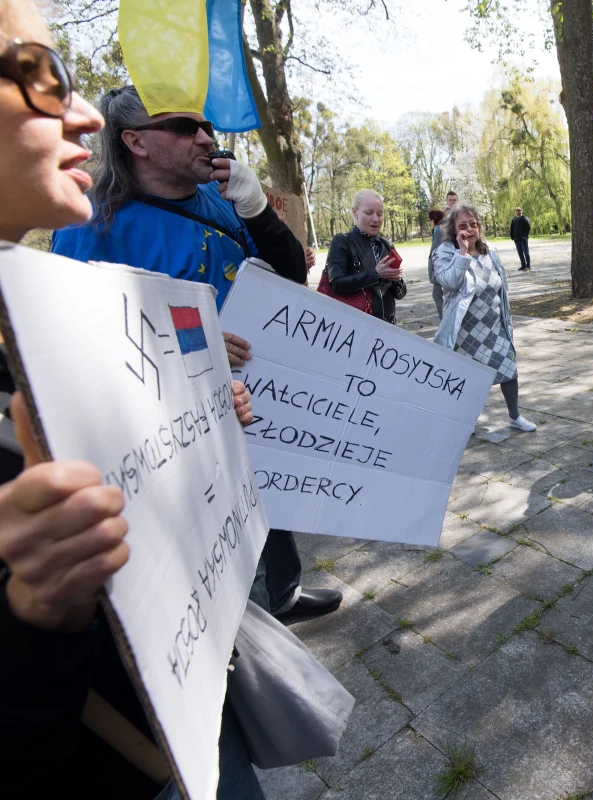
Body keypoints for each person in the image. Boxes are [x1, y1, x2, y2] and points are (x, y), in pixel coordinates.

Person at [0, 3, 264, 795]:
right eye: (37, 75)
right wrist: (34, 609)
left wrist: (204, 408)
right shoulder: (84, 243)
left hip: (186, 676)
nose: (80, 114)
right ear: (138, 143)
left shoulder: (215, 204)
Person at [49, 84, 341, 623]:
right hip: (170, 426)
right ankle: (242, 649)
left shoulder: (219, 199)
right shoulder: (91, 222)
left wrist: (257, 211)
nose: (206, 138)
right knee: (214, 542)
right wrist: (194, 343)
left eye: (205, 126)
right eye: (185, 128)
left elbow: (289, 278)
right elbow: (73, 341)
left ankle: (283, 594)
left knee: (269, 500)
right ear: (135, 141)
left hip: (249, 395)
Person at [433, 203, 537, 432]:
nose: (469, 229)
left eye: (473, 224)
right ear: (453, 229)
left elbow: (501, 285)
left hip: (494, 323)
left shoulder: (489, 249)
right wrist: (462, 252)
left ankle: (515, 416)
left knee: (508, 368)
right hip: (465, 329)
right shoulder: (445, 252)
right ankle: (464, 422)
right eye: (462, 225)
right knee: (468, 379)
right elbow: (448, 282)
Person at [325, 189, 407, 323]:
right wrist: (375, 274)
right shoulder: (342, 242)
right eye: (369, 213)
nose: (375, 219)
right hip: (358, 325)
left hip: (389, 325)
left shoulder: (387, 245)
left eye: (380, 214)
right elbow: (336, 284)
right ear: (355, 212)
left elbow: (400, 294)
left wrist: (397, 280)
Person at [429, 191, 458, 319]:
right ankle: (447, 318)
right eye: (450, 200)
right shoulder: (444, 219)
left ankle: (445, 319)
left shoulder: (460, 216)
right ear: (446, 201)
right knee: (441, 293)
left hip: (452, 260)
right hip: (445, 259)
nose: (452, 202)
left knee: (441, 294)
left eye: (454, 200)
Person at [509, 206, 532, 271]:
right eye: (516, 210)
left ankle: (528, 266)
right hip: (516, 239)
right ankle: (523, 265)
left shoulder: (525, 218)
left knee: (526, 252)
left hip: (523, 239)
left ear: (521, 211)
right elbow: (512, 228)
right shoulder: (514, 220)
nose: (518, 211)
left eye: (519, 210)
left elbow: (528, 227)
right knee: (520, 252)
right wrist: (512, 237)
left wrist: (525, 236)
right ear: (515, 212)